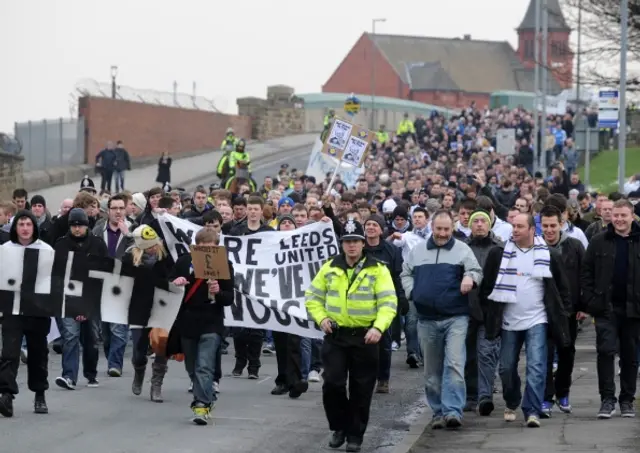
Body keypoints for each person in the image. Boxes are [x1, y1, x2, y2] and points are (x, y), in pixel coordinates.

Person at [305, 219, 397, 452]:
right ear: (342, 244)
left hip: (366, 337)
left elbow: (388, 303)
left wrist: (378, 327)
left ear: (363, 243)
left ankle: (355, 434)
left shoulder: (378, 269)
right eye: (347, 242)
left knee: (361, 388)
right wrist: (322, 318)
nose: (352, 246)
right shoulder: (330, 266)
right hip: (336, 336)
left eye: (355, 241)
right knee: (333, 384)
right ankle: (339, 427)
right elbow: (313, 297)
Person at [482, 213, 571, 428]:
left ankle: (532, 410)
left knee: (537, 365)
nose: (515, 230)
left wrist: (564, 315)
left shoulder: (549, 254)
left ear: (532, 229)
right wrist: (490, 315)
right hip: (509, 321)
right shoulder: (499, 253)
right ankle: (512, 399)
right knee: (506, 368)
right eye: (513, 226)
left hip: (537, 319)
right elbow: (487, 288)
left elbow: (562, 288)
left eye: (520, 226)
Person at [400, 210, 483, 429]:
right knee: (431, 371)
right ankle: (437, 411)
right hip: (426, 319)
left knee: (454, 364)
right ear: (432, 227)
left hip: (456, 317)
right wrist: (412, 292)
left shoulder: (462, 249)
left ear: (452, 229)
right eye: (439, 229)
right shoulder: (417, 252)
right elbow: (405, 273)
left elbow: (476, 271)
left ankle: (453, 411)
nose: (443, 233)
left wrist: (469, 277)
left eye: (447, 229)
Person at [581, 199, 640, 419]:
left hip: (634, 309)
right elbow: (586, 272)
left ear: (632, 216)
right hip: (605, 308)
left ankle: (627, 400)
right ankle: (607, 400)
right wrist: (590, 300)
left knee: (629, 355)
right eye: (616, 215)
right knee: (605, 352)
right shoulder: (599, 241)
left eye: (623, 215)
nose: (619, 219)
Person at [169, 228, 234, 425]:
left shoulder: (225, 265)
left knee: (204, 366)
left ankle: (201, 404)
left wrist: (218, 291)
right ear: (195, 248)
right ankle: (205, 396)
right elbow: (167, 289)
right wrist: (175, 283)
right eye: (203, 249)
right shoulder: (182, 262)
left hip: (211, 322)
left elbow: (229, 297)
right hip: (188, 322)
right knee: (192, 367)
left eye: (211, 249)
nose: (207, 253)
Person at [0, 210, 54, 417]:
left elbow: (54, 281)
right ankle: (6, 394)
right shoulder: (5, 250)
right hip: (12, 309)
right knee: (9, 353)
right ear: (15, 228)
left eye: (28, 224)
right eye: (20, 224)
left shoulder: (46, 250)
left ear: (34, 227)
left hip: (37, 310)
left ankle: (39, 393)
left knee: (38, 353)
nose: (24, 228)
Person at [53, 208, 108, 390]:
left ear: (87, 226)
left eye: (80, 225)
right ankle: (69, 375)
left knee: (91, 339)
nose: (77, 229)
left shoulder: (98, 245)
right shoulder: (61, 245)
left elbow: (104, 273)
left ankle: (90, 374)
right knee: (70, 337)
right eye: (74, 226)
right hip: (68, 300)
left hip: (91, 299)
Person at [539, 205, 586, 416]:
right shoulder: (536, 247)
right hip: (542, 310)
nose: (549, 230)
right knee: (545, 355)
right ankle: (546, 397)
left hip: (569, 310)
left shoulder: (574, 246)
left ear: (561, 224)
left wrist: (583, 306)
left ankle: (563, 391)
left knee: (567, 352)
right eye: (545, 226)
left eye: (553, 226)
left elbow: (585, 276)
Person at [463, 210, 504, 415]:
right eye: (475, 221)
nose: (479, 224)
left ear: (489, 225)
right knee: (468, 355)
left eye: (483, 221)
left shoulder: (499, 248)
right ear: (470, 225)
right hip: (466, 309)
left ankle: (484, 396)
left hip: (491, 310)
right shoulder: (462, 248)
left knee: (487, 353)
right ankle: (470, 395)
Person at [125, 225, 172, 402]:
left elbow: (172, 277)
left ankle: (156, 384)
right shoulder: (129, 258)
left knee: (161, 346)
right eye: (149, 246)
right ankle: (139, 369)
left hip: (161, 307)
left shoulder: (165, 257)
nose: (153, 248)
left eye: (155, 244)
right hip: (138, 307)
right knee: (138, 349)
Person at [229, 196, 273, 378]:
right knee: (239, 328)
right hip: (240, 283)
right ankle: (240, 361)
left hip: (259, 283)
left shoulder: (269, 232)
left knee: (256, 329)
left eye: (256, 209)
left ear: (262, 211)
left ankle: (254, 365)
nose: (253, 212)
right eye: (251, 208)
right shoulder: (236, 231)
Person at [92, 194, 134, 376]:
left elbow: (142, 254)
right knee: (106, 329)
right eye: (114, 208)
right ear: (107, 211)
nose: (118, 212)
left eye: (121, 208)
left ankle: (114, 364)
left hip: (123, 285)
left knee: (119, 327)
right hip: (102, 284)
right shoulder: (98, 229)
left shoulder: (134, 229)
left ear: (126, 210)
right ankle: (111, 356)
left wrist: (129, 236)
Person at [269, 214, 308, 399]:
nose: (286, 225)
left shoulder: (303, 245)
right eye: (283, 223)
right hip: (277, 301)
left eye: (289, 223)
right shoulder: (270, 246)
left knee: (294, 342)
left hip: (297, 301)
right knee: (281, 342)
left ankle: (296, 381)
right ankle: (283, 380)